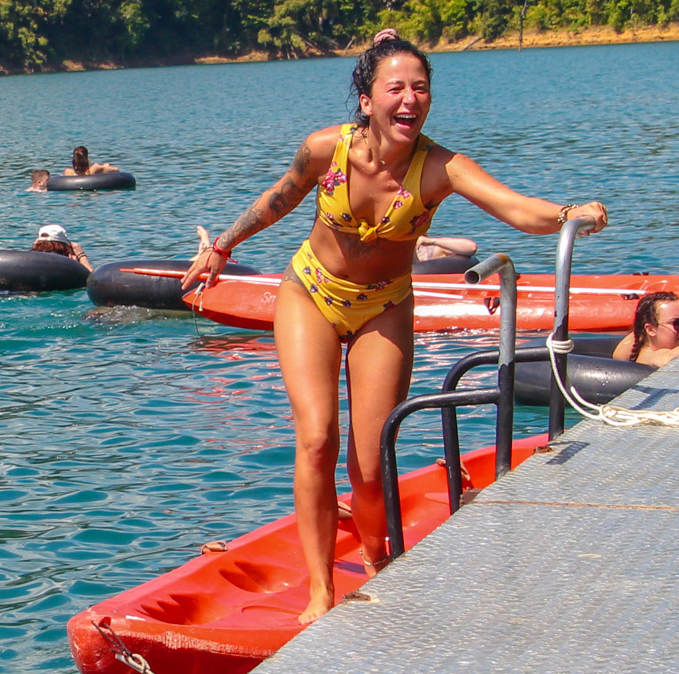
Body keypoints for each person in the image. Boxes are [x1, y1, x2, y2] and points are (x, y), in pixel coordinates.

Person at [183, 30, 609, 622]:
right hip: (310, 294)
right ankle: (320, 591)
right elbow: (278, 199)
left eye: (421, 87)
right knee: (315, 439)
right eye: (396, 88)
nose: (410, 99)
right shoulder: (323, 149)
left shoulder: (440, 167)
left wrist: (570, 215)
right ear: (367, 100)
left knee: (368, 463)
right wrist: (223, 247)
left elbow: (514, 208)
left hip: (384, 306)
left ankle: (379, 559)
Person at [612, 292, 679, 369]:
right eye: (677, 323)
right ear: (651, 330)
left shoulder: (630, 351)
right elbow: (669, 358)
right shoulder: (652, 356)